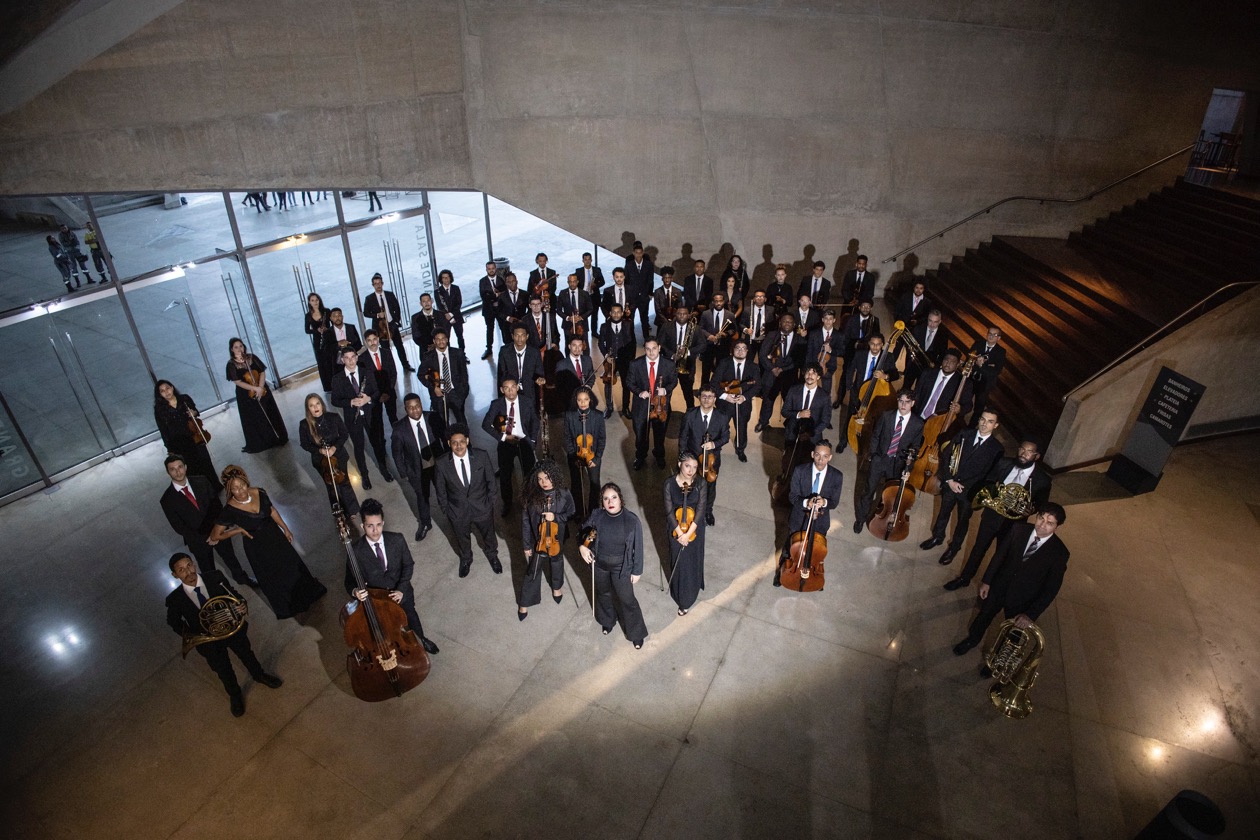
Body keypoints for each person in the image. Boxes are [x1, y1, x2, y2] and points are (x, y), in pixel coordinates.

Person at [165, 553, 281, 717]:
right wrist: (194, 635)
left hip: (232, 630)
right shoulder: (175, 599)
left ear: (195, 564)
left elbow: (233, 595)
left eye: (189, 565)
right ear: (175, 575)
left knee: (247, 654)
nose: (188, 572)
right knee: (222, 669)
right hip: (208, 641)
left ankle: (259, 675)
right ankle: (235, 695)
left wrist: (240, 604)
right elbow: (173, 622)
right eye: (181, 570)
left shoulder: (215, 577)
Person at [951, 504, 1070, 658]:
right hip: (999, 586)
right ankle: (972, 640)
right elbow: (999, 557)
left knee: (1013, 633)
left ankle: (999, 657)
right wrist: (987, 581)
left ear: (1057, 526)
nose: (1042, 524)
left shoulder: (1060, 553)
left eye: (1050, 523)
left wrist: (1030, 614)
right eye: (1041, 518)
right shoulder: (1018, 529)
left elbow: (1051, 589)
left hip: (1023, 599)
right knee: (984, 616)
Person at [211, 465, 327, 619]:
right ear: (229, 490)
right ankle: (290, 605)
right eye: (235, 489)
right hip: (258, 548)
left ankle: (306, 595)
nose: (240, 491)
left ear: (246, 482)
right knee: (275, 576)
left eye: (242, 485)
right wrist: (238, 530)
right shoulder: (229, 510)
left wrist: (285, 528)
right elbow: (215, 535)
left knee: (291, 567)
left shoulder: (259, 492)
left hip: (276, 537)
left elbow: (272, 511)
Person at [945, 440, 1052, 590]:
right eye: (1021, 449)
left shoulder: (1043, 479)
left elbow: (1041, 504)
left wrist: (1031, 509)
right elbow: (988, 482)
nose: (1023, 454)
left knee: (1001, 556)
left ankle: (989, 586)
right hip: (992, 515)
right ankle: (964, 578)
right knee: (978, 548)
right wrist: (990, 494)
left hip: (1014, 524)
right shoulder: (1003, 463)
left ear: (1037, 456)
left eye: (1029, 452)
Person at [346, 499, 440, 654]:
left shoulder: (397, 539)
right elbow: (348, 581)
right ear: (363, 526)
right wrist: (355, 591)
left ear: (383, 523)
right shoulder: (355, 551)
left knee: (411, 615)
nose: (375, 530)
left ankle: (422, 639)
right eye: (370, 526)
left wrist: (402, 589)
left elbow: (408, 565)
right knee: (386, 626)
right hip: (378, 600)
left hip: (402, 592)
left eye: (378, 525)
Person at [920, 409, 1004, 564]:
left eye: (990, 421)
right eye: (983, 419)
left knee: (962, 521)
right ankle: (937, 537)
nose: (984, 424)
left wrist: (968, 488)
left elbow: (990, 476)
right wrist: (950, 480)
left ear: (996, 425)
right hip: (951, 484)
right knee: (943, 512)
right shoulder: (964, 434)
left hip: (969, 492)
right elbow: (946, 456)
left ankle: (954, 548)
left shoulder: (997, 449)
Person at [160, 454, 256, 586]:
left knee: (231, 558)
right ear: (168, 472)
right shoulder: (167, 500)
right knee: (207, 568)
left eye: (180, 467)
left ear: (185, 467)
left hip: (217, 530)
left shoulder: (202, 481)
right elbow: (179, 527)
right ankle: (215, 590)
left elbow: (216, 506)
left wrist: (215, 532)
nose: (178, 472)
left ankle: (242, 579)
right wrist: (207, 535)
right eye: (173, 469)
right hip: (198, 540)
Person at [579, 483, 648, 649]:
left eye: (614, 497)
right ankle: (607, 620)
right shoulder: (597, 515)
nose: (610, 501)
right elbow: (582, 531)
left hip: (621, 568)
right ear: (602, 502)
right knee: (603, 594)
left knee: (627, 599)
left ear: (620, 500)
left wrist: (637, 570)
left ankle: (636, 633)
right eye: (606, 498)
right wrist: (582, 546)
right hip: (599, 564)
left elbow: (638, 547)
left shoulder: (631, 520)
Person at [433, 425, 502, 577]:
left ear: (468, 441)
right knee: (461, 537)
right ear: (448, 443)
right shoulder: (442, 463)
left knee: (488, 534)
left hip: (482, 507)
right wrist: (447, 509)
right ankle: (466, 559)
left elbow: (491, 481)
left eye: (462, 441)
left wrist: (490, 502)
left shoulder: (481, 456)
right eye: (454, 442)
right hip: (457, 511)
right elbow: (440, 489)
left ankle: (492, 555)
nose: (459, 446)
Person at [774, 440, 843, 587]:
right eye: (817, 455)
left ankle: (814, 575)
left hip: (821, 521)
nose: (820, 460)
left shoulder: (837, 476)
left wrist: (823, 502)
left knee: (816, 552)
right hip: (799, 518)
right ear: (812, 454)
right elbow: (793, 497)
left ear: (830, 457)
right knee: (789, 549)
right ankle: (781, 572)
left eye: (825, 456)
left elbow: (834, 502)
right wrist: (807, 503)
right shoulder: (800, 470)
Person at [854, 390, 925, 532]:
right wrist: (874, 455)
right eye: (901, 401)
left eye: (907, 402)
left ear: (913, 404)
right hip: (880, 459)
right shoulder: (887, 416)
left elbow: (916, 448)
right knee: (869, 490)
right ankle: (861, 519)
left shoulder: (918, 424)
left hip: (897, 464)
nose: (903, 405)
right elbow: (876, 435)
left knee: (889, 495)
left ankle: (882, 518)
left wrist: (908, 470)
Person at [517, 460, 576, 620]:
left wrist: (555, 517)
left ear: (554, 477)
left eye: (547, 478)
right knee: (533, 571)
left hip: (557, 538)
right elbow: (526, 521)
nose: (544, 482)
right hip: (539, 541)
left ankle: (557, 587)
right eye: (540, 479)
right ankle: (525, 602)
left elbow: (571, 512)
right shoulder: (531, 496)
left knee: (557, 561)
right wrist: (526, 544)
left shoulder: (563, 493)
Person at [331, 346, 392, 489]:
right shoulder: (337, 379)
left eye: (353, 357)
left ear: (357, 357)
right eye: (347, 358)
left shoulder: (367, 373)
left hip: (370, 414)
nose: (351, 361)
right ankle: (364, 476)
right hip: (353, 418)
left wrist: (368, 399)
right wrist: (350, 402)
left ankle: (384, 469)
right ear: (342, 360)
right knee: (358, 448)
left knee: (377, 444)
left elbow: (377, 392)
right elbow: (334, 400)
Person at [297, 393, 361, 526]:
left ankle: (352, 509)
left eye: (317, 404)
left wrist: (334, 448)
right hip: (320, 460)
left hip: (338, 456)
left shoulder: (334, 417)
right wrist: (319, 450)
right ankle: (338, 510)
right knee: (330, 485)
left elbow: (344, 434)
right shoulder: (304, 425)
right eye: (311, 405)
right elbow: (304, 444)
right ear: (308, 409)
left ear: (322, 404)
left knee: (344, 481)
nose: (315, 407)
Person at [391, 392, 448, 542]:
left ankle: (452, 515)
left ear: (421, 405)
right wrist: (405, 473)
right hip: (417, 470)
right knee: (422, 497)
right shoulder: (399, 428)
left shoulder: (433, 418)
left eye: (417, 406)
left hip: (437, 465)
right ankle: (425, 523)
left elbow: (445, 438)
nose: (415, 410)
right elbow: (397, 454)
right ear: (405, 409)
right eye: (411, 408)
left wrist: (449, 462)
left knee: (445, 492)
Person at [482, 377, 539, 511]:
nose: (510, 391)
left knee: (529, 474)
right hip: (506, 442)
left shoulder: (527, 402)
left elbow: (535, 421)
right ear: (502, 390)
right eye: (506, 388)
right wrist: (502, 437)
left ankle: (530, 500)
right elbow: (485, 424)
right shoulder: (496, 404)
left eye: (513, 387)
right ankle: (507, 504)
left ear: (517, 387)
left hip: (524, 440)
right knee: (505, 475)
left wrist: (532, 440)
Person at [835, 332, 898, 453]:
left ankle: (865, 443)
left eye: (878, 345)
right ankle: (843, 441)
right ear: (869, 344)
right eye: (872, 344)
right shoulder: (860, 354)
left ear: (882, 345)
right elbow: (850, 369)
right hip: (858, 391)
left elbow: (895, 373)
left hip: (875, 394)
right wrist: (849, 386)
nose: (875, 347)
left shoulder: (888, 357)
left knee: (869, 420)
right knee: (851, 416)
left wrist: (885, 376)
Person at [154, 380, 220, 492]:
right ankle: (202, 492)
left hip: (195, 437)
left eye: (167, 388)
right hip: (179, 442)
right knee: (190, 467)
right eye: (162, 391)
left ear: (172, 387)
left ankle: (214, 487)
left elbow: (196, 412)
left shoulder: (184, 399)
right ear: (159, 394)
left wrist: (193, 413)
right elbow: (163, 430)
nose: (166, 392)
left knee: (205, 463)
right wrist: (169, 448)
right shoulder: (159, 409)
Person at [678, 386, 729, 525]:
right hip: (692, 457)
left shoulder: (722, 417)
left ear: (715, 399)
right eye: (704, 396)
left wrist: (713, 444)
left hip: (711, 460)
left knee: (710, 486)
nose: (707, 399)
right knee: (691, 484)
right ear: (699, 398)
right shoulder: (690, 414)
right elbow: (683, 437)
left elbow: (725, 437)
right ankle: (692, 508)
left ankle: (708, 511)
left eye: (710, 397)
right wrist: (682, 457)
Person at [226, 338, 287, 453]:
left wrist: (260, 387)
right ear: (231, 349)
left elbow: (262, 372)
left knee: (270, 412)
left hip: (262, 389)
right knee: (255, 417)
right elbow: (237, 381)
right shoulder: (231, 364)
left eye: (241, 346)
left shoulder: (251, 357)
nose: (239, 349)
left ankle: (279, 436)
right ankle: (265, 441)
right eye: (236, 347)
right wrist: (255, 388)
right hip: (246, 394)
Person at [665, 453, 707, 615]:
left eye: (695, 467)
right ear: (679, 464)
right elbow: (669, 512)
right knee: (678, 562)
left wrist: (688, 534)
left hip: (694, 530)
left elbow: (700, 511)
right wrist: (679, 534)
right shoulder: (669, 484)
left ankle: (688, 598)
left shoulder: (701, 483)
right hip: (675, 529)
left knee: (691, 562)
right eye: (687, 466)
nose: (691, 470)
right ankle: (678, 592)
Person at [627, 338, 678, 470]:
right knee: (640, 433)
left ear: (659, 348)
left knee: (660, 433)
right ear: (644, 350)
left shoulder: (669, 364)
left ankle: (659, 455)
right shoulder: (635, 364)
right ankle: (640, 456)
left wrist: (665, 390)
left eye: (654, 348)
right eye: (648, 349)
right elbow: (629, 382)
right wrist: (639, 392)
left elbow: (674, 381)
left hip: (661, 404)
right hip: (641, 404)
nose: (651, 352)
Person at [711, 339, 760, 461]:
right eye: (738, 348)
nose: (740, 351)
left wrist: (744, 397)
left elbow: (758, 386)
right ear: (733, 350)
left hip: (743, 404)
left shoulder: (753, 367)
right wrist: (725, 396)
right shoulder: (724, 363)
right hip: (725, 403)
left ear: (747, 351)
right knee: (720, 426)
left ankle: (740, 449)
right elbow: (714, 383)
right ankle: (715, 448)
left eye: (744, 348)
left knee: (742, 428)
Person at [563, 386, 605, 521]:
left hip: (593, 455)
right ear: (575, 400)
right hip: (576, 455)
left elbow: (601, 438)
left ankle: (593, 512)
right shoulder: (569, 416)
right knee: (576, 484)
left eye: (586, 399)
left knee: (594, 484)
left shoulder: (598, 416)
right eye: (580, 400)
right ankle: (578, 511)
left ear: (590, 400)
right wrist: (573, 455)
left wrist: (597, 458)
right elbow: (567, 438)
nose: (583, 403)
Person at [756, 315, 802, 432]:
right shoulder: (772, 335)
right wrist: (772, 369)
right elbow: (762, 355)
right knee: (768, 401)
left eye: (790, 322)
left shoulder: (799, 338)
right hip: (771, 375)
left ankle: (791, 425)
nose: (787, 323)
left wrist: (783, 369)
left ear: (794, 325)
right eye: (785, 321)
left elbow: (799, 360)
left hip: (789, 377)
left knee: (790, 402)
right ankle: (763, 422)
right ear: (780, 323)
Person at [418, 330, 470, 426]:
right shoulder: (428, 357)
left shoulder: (458, 353)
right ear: (434, 341)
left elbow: (464, 374)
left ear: (447, 339)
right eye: (438, 339)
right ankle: (446, 440)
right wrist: (433, 388)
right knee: (442, 423)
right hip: (438, 395)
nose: (441, 341)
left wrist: (463, 392)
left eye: (443, 339)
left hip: (456, 393)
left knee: (461, 421)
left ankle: (466, 440)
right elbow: (420, 375)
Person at [362, 272, 412, 370]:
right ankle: (390, 368)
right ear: (373, 285)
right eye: (376, 284)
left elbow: (397, 308)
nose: (378, 285)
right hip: (380, 328)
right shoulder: (369, 298)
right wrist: (377, 315)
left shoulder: (389, 294)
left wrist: (396, 321)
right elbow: (366, 313)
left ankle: (405, 365)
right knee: (385, 349)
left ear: (382, 283)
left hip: (392, 324)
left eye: (379, 283)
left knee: (399, 346)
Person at [913, 348, 972, 426]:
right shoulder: (928, 373)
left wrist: (960, 409)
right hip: (918, 416)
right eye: (946, 360)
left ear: (958, 364)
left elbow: (968, 405)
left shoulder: (963, 383)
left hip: (939, 422)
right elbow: (917, 393)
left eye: (952, 362)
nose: (948, 364)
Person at [657, 305, 701, 409]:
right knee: (666, 391)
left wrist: (688, 352)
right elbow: (660, 343)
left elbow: (702, 345)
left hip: (687, 366)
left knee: (688, 392)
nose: (682, 316)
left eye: (685, 314)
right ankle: (666, 411)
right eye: (679, 314)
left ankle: (690, 412)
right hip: (669, 363)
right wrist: (672, 355)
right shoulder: (666, 326)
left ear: (689, 315)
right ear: (675, 314)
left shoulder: (696, 328)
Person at [597, 302, 635, 418]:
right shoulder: (604, 326)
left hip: (624, 359)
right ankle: (609, 407)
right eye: (614, 312)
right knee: (608, 383)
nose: (616, 314)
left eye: (619, 312)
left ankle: (625, 407)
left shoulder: (628, 325)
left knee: (626, 384)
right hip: (610, 359)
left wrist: (630, 359)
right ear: (610, 313)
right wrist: (606, 355)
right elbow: (600, 343)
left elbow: (633, 343)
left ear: (622, 313)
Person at [782, 363, 832, 446]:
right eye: (808, 372)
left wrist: (810, 433)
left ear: (818, 377)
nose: (810, 375)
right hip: (792, 434)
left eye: (814, 373)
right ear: (804, 375)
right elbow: (784, 411)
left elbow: (825, 421)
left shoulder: (824, 396)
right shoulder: (793, 390)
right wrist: (798, 414)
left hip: (813, 437)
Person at [905, 310, 953, 391]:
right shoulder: (918, 328)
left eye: (935, 322)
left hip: (928, 367)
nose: (932, 324)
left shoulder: (943, 334)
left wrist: (936, 367)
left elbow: (943, 353)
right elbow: (909, 344)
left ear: (940, 321)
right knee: (906, 386)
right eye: (930, 321)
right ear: (927, 319)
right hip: (914, 364)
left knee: (920, 389)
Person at [498, 324, 544, 408]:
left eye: (522, 336)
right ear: (512, 336)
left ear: (527, 336)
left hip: (530, 391)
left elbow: (539, 372)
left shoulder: (534, 351)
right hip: (511, 391)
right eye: (517, 336)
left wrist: (539, 378)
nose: (519, 339)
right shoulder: (504, 352)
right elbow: (502, 375)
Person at [968, 327, 1006, 425]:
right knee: (965, 401)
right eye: (990, 333)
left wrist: (981, 365)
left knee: (979, 408)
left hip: (985, 383)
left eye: (995, 335)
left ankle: (971, 428)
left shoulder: (1001, 351)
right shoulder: (978, 344)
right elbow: (970, 359)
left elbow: (996, 371)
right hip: (972, 379)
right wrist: (988, 366)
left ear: (999, 338)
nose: (991, 336)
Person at [806, 309, 844, 406]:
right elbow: (809, 351)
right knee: (811, 390)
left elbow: (842, 351)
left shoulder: (839, 335)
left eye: (830, 319)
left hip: (829, 368)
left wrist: (831, 350)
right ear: (822, 319)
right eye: (826, 319)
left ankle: (825, 409)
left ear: (834, 320)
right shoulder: (814, 333)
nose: (828, 321)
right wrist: (808, 368)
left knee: (826, 391)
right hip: (814, 368)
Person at [698, 291, 736, 386]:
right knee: (706, 370)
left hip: (723, 347)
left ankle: (717, 389)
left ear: (724, 302)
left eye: (720, 301)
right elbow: (700, 328)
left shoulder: (730, 315)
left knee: (721, 370)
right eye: (716, 301)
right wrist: (708, 336)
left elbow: (734, 330)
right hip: (709, 346)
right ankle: (704, 389)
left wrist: (725, 334)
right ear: (713, 302)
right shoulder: (706, 314)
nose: (718, 303)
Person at [361, 329, 398, 425]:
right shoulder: (362, 359)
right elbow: (365, 380)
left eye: (374, 339)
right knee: (377, 421)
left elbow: (393, 373)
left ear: (378, 339)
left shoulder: (387, 352)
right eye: (369, 340)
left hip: (389, 393)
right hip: (373, 395)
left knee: (393, 417)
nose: (372, 343)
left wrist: (387, 392)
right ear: (365, 342)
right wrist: (376, 395)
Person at [553, 335, 596, 410]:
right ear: (569, 346)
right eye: (574, 346)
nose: (577, 349)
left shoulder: (588, 360)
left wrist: (588, 387)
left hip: (585, 400)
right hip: (569, 402)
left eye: (580, 346)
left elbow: (591, 376)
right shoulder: (561, 364)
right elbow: (559, 386)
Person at [623, 241, 655, 340]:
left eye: (640, 253)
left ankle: (646, 339)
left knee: (644, 319)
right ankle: (631, 339)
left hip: (644, 297)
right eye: (636, 253)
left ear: (643, 253)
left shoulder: (648, 264)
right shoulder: (629, 265)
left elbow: (650, 280)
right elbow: (626, 281)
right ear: (633, 253)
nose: (638, 255)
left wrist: (650, 293)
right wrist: (627, 296)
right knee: (630, 319)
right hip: (632, 297)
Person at [304, 292, 334, 391]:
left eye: (317, 300)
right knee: (322, 364)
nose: (315, 302)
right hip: (318, 342)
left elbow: (332, 324)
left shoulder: (326, 311)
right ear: (309, 302)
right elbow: (307, 330)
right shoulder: (308, 316)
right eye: (313, 300)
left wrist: (326, 329)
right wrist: (316, 330)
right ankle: (327, 387)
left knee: (331, 361)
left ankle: (335, 384)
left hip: (328, 339)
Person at [478, 260, 506, 360]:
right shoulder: (482, 281)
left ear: (496, 269)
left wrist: (491, 295)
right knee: (490, 329)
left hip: (500, 309)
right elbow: (484, 296)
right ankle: (489, 349)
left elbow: (504, 294)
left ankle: (507, 346)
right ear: (486, 270)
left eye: (493, 268)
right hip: (488, 310)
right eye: (489, 269)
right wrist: (496, 295)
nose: (491, 270)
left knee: (503, 327)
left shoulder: (501, 279)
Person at [556, 273, 594, 346]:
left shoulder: (584, 293)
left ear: (577, 282)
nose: (572, 284)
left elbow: (590, 309)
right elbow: (558, 310)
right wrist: (568, 318)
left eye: (574, 281)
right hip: (568, 325)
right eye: (570, 282)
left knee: (584, 345)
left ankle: (585, 358)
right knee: (568, 346)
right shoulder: (562, 293)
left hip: (582, 324)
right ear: (568, 282)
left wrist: (581, 317)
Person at [321, 308, 362, 375]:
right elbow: (326, 350)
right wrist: (338, 344)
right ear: (331, 318)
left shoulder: (351, 327)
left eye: (339, 315)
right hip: (337, 364)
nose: (337, 318)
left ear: (342, 316)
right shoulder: (328, 332)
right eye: (334, 316)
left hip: (353, 361)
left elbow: (359, 344)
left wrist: (348, 346)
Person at [433, 269, 465, 351]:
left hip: (456, 316)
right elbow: (440, 306)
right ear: (441, 279)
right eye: (443, 278)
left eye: (447, 277)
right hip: (445, 318)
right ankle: (450, 355)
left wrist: (451, 314)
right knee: (446, 338)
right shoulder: (437, 292)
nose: (446, 279)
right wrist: (448, 316)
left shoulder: (456, 288)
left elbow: (459, 303)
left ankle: (462, 354)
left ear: (450, 278)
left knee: (460, 337)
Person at [575, 252, 605, 335]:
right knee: (583, 314)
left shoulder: (597, 270)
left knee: (594, 315)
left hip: (593, 295)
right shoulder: (578, 271)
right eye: (585, 260)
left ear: (591, 260)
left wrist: (596, 285)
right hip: (583, 296)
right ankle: (583, 331)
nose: (587, 261)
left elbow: (602, 282)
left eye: (589, 259)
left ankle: (594, 332)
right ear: (583, 260)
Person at [495, 273, 528, 347]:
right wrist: (508, 318)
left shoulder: (525, 294)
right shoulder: (502, 297)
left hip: (523, 325)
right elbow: (499, 312)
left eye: (513, 281)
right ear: (506, 283)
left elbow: (530, 309)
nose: (512, 284)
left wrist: (524, 319)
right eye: (509, 282)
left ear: (517, 281)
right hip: (508, 328)